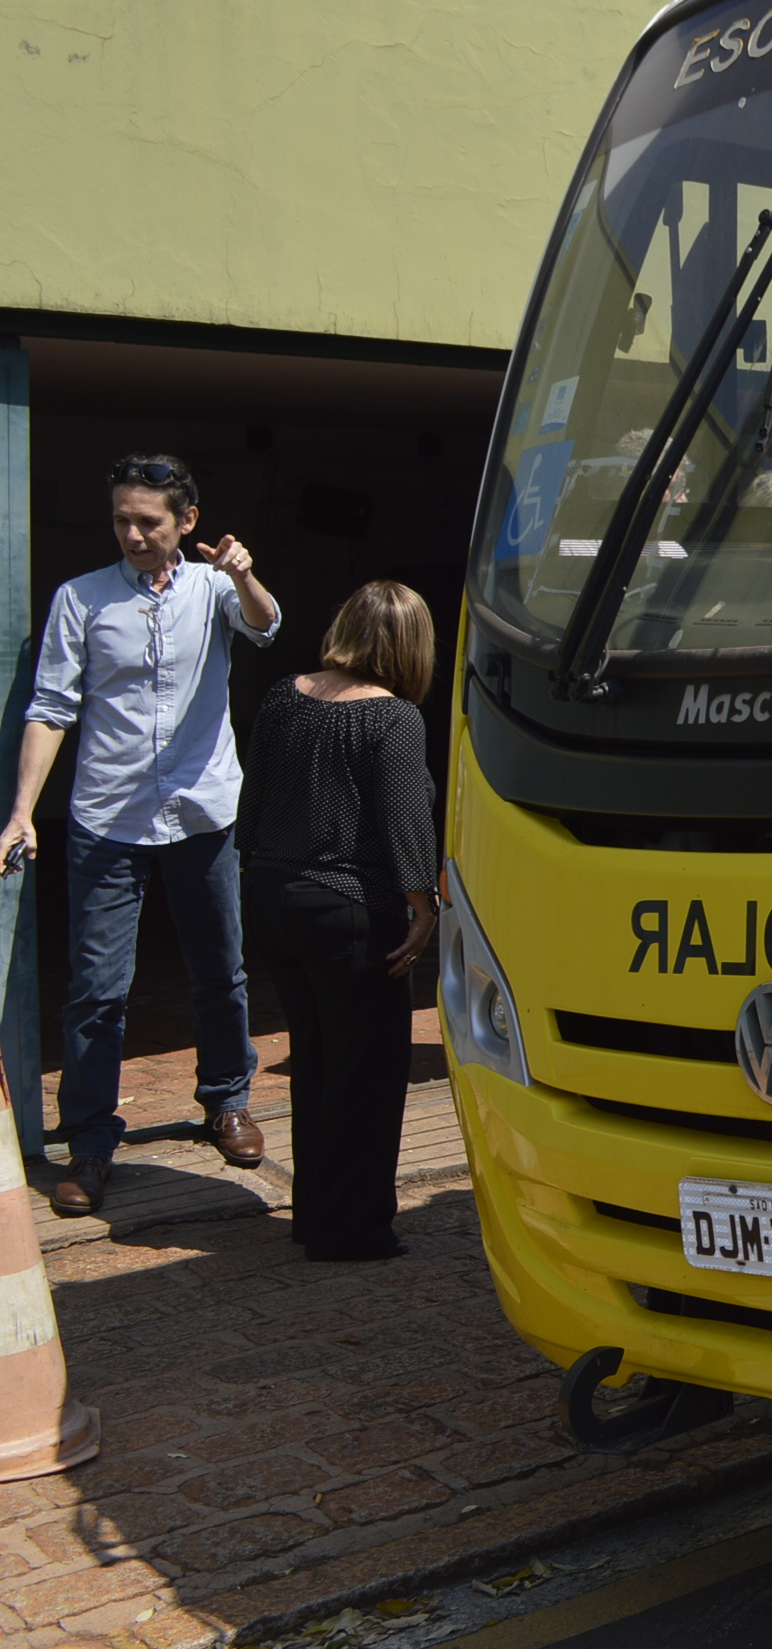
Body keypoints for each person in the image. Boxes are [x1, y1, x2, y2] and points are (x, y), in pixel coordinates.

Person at [0, 455, 280, 1218]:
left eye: (148, 521)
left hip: (201, 812)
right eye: (122, 518)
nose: (132, 533)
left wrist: (245, 574)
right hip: (108, 819)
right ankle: (90, 1144)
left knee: (221, 971)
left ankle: (227, 1101)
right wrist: (23, 809)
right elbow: (50, 706)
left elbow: (265, 627)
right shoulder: (80, 599)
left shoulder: (214, 586)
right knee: (96, 991)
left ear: (185, 521)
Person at [238, 583, 438, 1262]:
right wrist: (423, 904)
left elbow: (254, 800)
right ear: (411, 645)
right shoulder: (395, 719)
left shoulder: (284, 696)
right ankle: (351, 1229)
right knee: (368, 1072)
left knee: (318, 1060)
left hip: (273, 897)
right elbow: (406, 821)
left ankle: (314, 1217)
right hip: (350, 910)